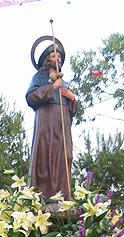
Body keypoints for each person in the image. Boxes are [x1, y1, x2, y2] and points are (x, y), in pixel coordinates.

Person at [26, 39, 76, 200]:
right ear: (47, 60)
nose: (58, 59)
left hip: (63, 125)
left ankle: (62, 197)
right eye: (55, 56)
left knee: (65, 157)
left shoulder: (64, 83)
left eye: (60, 56)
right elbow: (31, 97)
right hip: (46, 122)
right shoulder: (40, 77)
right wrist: (52, 88)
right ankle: (44, 197)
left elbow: (72, 111)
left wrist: (72, 99)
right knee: (46, 158)